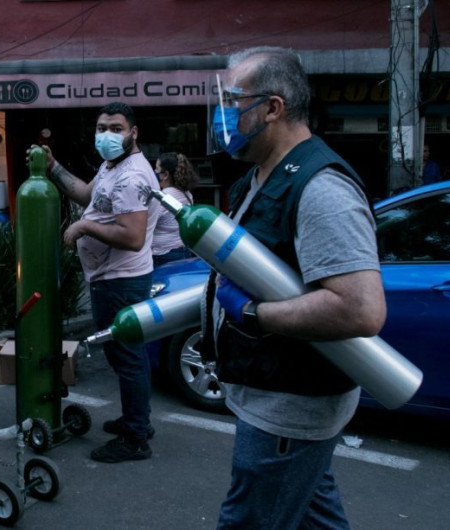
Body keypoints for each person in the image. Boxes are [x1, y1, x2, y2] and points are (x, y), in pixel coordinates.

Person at [209, 47, 386, 528]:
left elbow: (360, 310)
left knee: (249, 520)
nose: (222, 112)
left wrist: (253, 315)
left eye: (233, 99)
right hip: (269, 392)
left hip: (289, 408)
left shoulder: (322, 189)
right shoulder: (254, 178)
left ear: (273, 107)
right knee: (313, 514)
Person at [34, 101, 160, 463]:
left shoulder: (132, 176)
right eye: (102, 128)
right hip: (111, 278)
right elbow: (88, 195)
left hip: (122, 281)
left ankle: (136, 438)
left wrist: (85, 226)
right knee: (124, 356)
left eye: (116, 128)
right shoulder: (112, 166)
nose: (107, 135)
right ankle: (137, 420)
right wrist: (54, 166)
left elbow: (133, 236)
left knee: (128, 357)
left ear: (133, 133)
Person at [151, 152, 197, 267]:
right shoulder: (186, 193)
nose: (154, 173)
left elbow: (146, 223)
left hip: (164, 255)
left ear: (165, 174)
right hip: (182, 250)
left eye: (156, 169)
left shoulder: (164, 197)